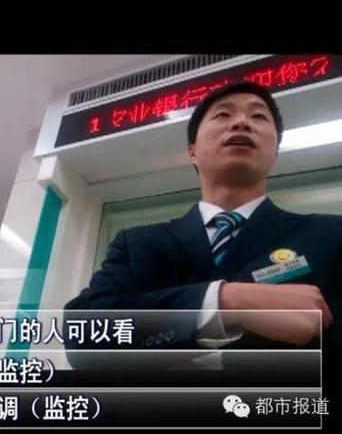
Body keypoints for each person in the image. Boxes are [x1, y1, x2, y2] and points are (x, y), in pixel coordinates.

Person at [64, 81, 341, 355]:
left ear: (275, 153)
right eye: (223, 114)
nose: (241, 122)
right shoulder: (138, 244)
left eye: (258, 116)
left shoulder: (330, 234)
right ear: (193, 152)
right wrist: (223, 301)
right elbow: (82, 334)